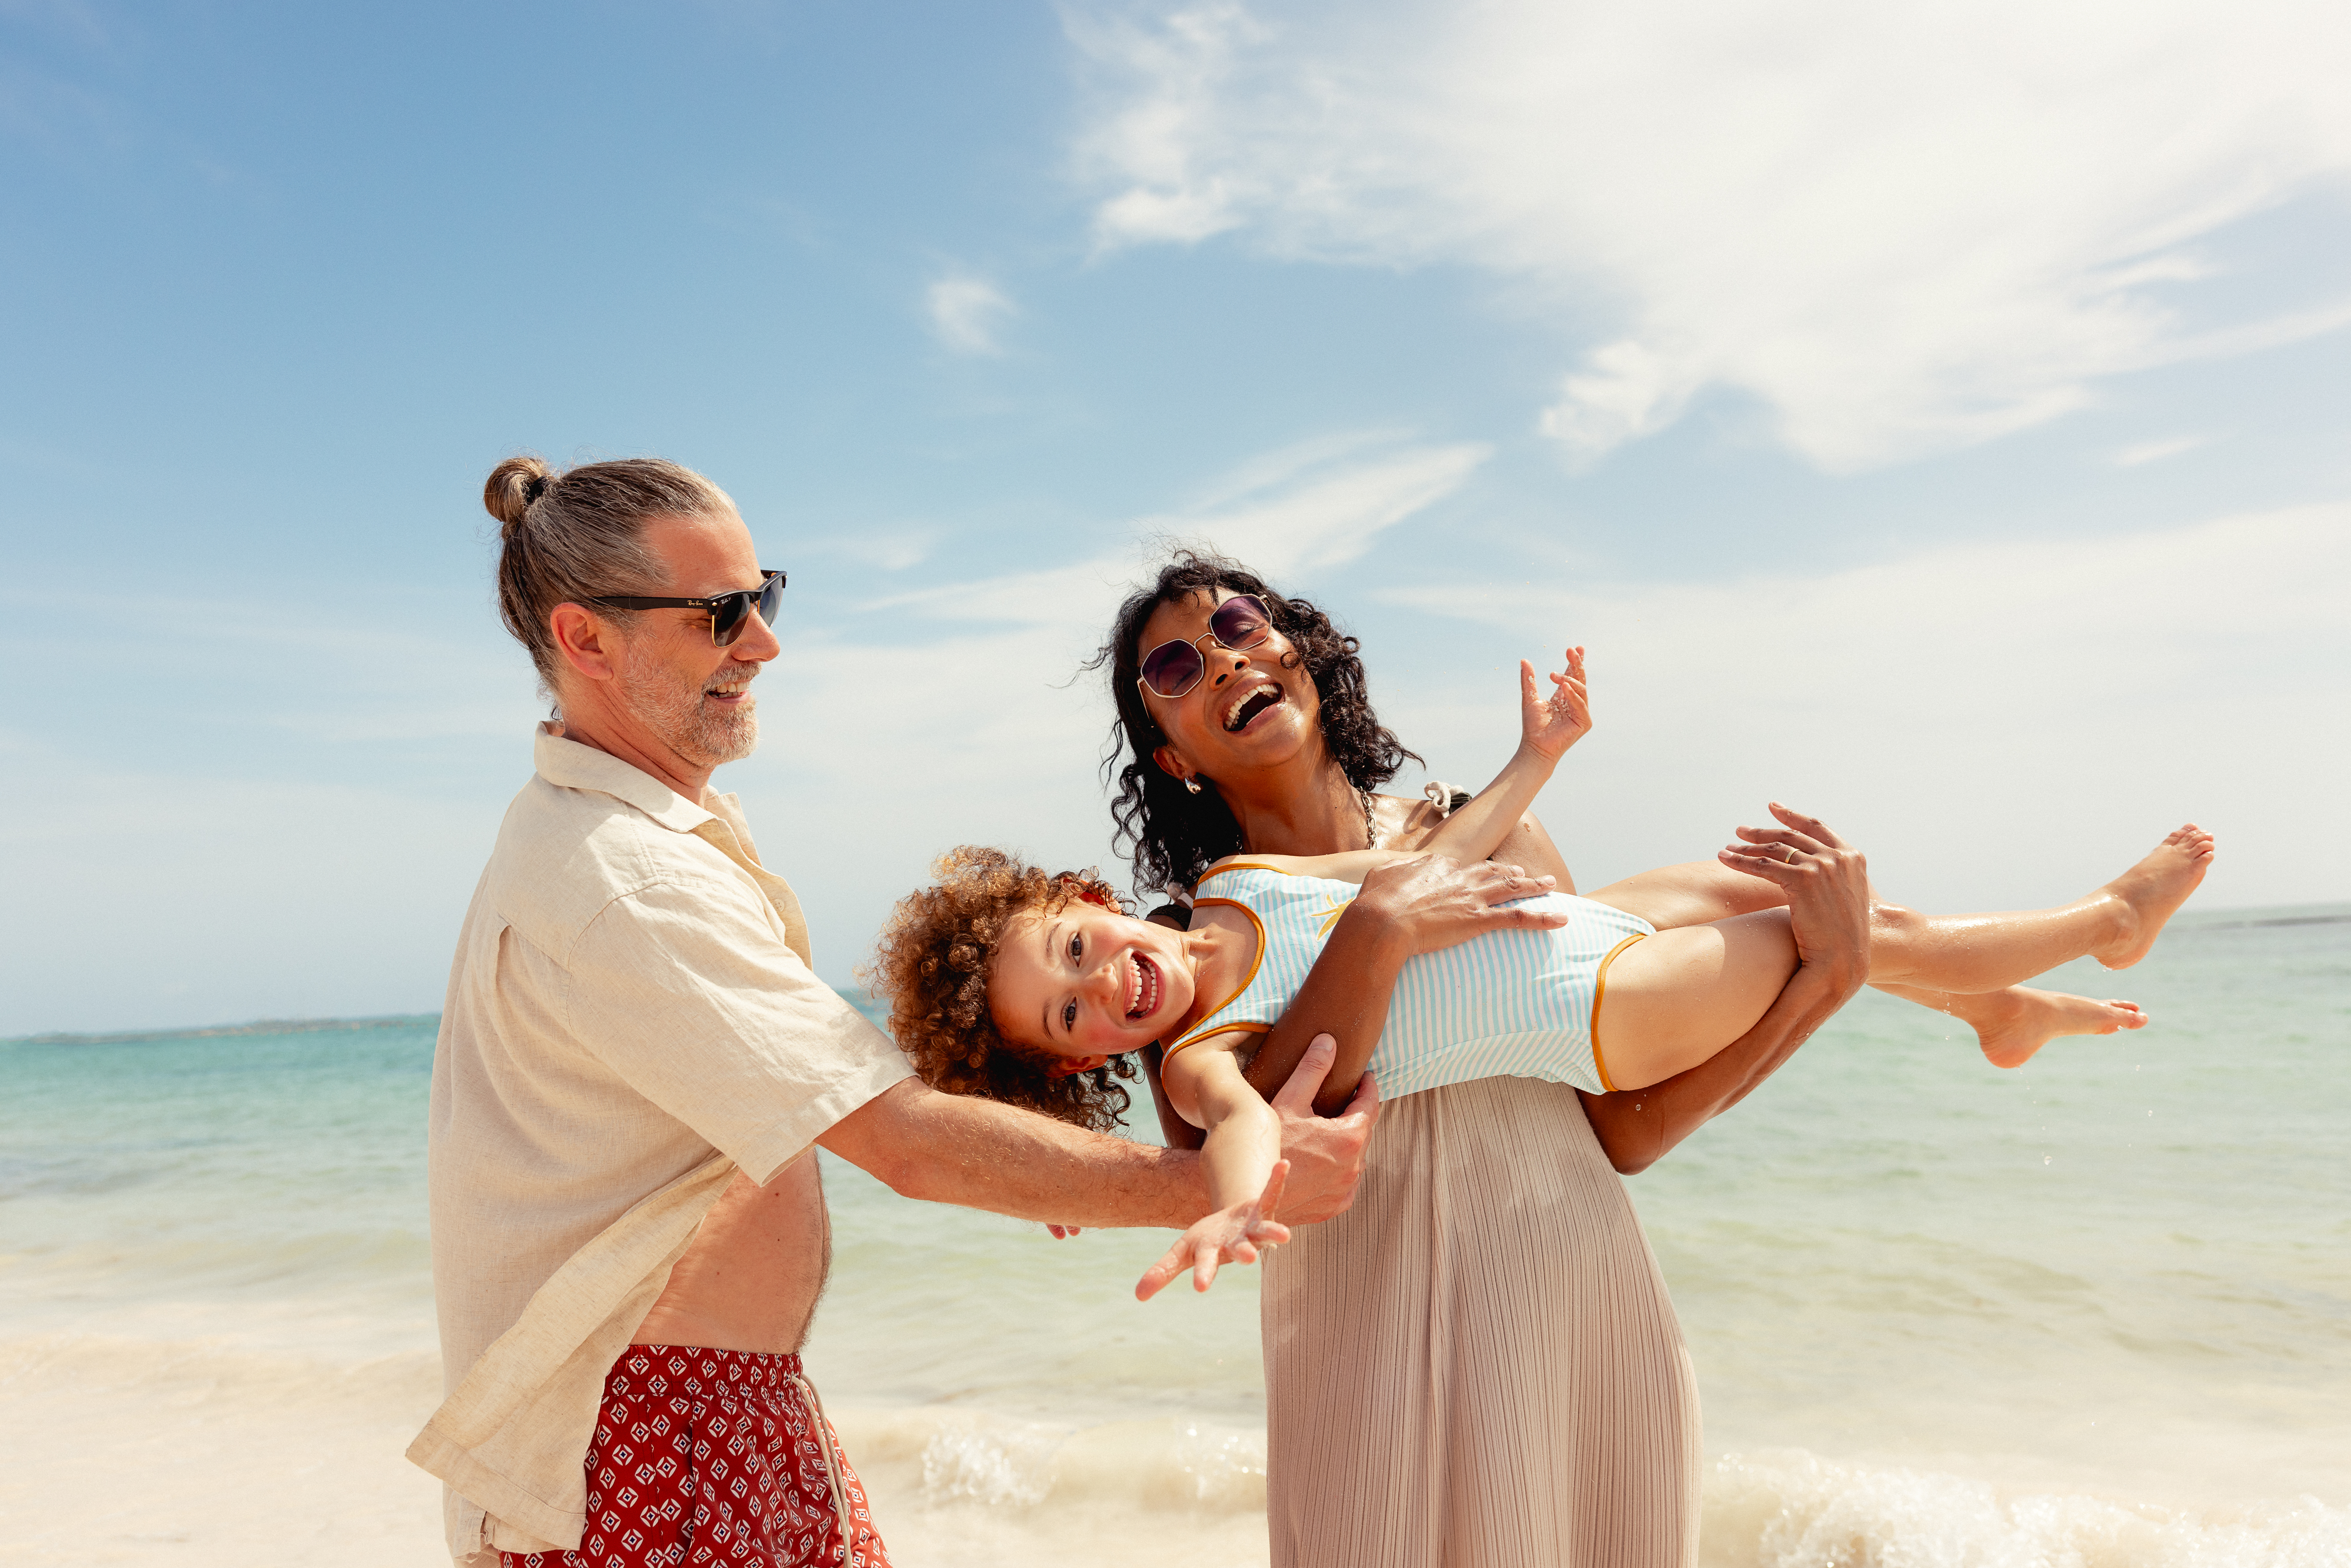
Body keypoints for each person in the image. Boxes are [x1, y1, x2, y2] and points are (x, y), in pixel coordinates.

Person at [407, 460, 1422, 1568]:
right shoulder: (623, 878)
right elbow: (897, 1139)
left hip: (711, 1422)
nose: (763, 644)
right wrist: (1221, 1185)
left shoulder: (627, 847)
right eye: (719, 615)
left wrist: (1040, 1136)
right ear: (586, 639)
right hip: (649, 1451)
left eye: (765, 597)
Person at [1089, 553, 2149, 1567]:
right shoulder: (1188, 951)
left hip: (1573, 1303)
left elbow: (1623, 1115)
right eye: (1176, 667)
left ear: (1297, 654)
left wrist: (1823, 985)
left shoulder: (1492, 835)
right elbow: (1228, 1147)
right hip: (1361, 1352)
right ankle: (2012, 985)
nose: (1224, 657)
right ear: (1172, 755)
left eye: (1237, 625)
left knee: (1741, 919)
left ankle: (2018, 973)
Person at [868, 641, 2210, 1295]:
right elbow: (1233, 1143)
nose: (1101, 988)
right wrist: (1211, 1213)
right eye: (1068, 1018)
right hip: (1597, 1012)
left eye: (1075, 953)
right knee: (1824, 932)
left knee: (1778, 880)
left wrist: (1541, 756)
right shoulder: (1199, 1058)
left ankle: (1998, 1006)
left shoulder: (1232, 888)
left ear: (1088, 900)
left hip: (1585, 926)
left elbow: (1420, 861)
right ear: (1085, 1063)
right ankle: (2098, 920)